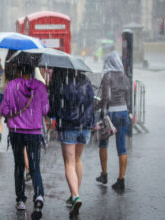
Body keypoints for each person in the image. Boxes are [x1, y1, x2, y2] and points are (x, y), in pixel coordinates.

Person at [0, 64, 49, 219]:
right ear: (33, 71)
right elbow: (46, 110)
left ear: (20, 71)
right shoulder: (40, 87)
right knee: (34, 168)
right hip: (34, 132)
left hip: (16, 132)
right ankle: (39, 195)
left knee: (19, 165)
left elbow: (3, 108)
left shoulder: (11, 85)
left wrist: (12, 113)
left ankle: (21, 200)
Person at [48, 68, 95, 217]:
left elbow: (53, 106)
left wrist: (52, 115)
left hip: (68, 125)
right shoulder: (85, 81)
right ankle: (75, 194)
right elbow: (91, 101)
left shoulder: (60, 82)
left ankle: (75, 196)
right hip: (85, 126)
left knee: (69, 162)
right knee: (78, 160)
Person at [95, 51, 131, 191]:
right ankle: (121, 180)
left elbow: (107, 99)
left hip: (110, 114)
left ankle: (104, 175)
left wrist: (98, 107)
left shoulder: (107, 76)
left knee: (103, 144)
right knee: (122, 147)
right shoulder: (125, 77)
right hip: (123, 113)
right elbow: (128, 99)